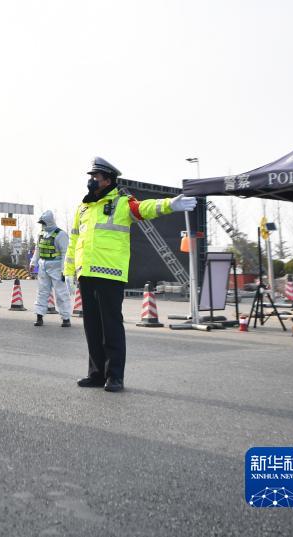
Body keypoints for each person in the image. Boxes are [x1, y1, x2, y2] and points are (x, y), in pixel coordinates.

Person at [64, 157, 196, 392]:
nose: (92, 180)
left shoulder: (123, 203)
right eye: (91, 176)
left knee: (111, 327)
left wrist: (170, 205)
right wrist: (68, 271)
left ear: (108, 180)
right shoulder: (83, 208)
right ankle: (96, 374)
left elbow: (145, 208)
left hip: (110, 275)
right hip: (86, 275)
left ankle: (115, 376)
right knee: (92, 327)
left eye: (96, 177)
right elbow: (74, 240)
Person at [29, 210, 71, 327]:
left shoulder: (61, 234)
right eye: (41, 223)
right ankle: (39, 316)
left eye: (43, 223)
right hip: (43, 266)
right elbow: (38, 249)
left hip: (56, 266)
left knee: (61, 293)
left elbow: (65, 253)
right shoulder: (41, 234)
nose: (42, 225)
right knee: (41, 292)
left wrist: (64, 270)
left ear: (49, 221)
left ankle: (66, 318)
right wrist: (33, 263)